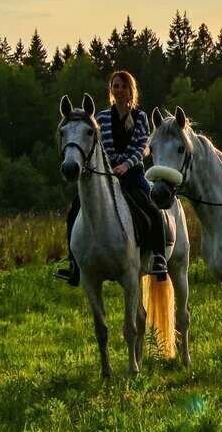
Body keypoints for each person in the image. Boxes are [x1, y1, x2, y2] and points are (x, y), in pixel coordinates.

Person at [56, 70, 172, 285]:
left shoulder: (140, 117)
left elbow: (142, 146)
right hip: (107, 174)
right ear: (111, 90)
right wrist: (110, 165)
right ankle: (74, 264)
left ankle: (158, 258)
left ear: (131, 91)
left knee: (151, 209)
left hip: (133, 173)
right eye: (115, 86)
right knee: (74, 210)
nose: (119, 90)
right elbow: (99, 147)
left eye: (123, 86)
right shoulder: (101, 117)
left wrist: (126, 165)